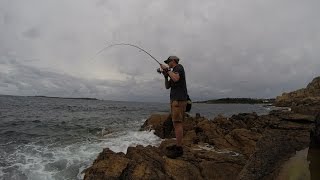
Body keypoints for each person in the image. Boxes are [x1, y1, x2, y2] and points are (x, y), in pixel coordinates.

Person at [160, 55, 188, 158]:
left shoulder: (178, 67)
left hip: (178, 100)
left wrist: (167, 70)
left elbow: (176, 78)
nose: (168, 64)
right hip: (175, 101)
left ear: (173, 61)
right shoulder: (173, 71)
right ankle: (178, 145)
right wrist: (165, 76)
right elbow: (167, 86)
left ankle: (179, 149)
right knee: (176, 123)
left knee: (177, 123)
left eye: (168, 62)